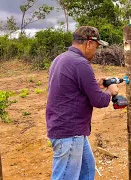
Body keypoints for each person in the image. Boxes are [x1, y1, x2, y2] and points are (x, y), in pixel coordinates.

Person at [46, 26, 118, 180]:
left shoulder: (60, 59)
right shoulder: (81, 63)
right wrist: (111, 91)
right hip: (69, 132)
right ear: (89, 43)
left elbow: (70, 90)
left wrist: (95, 86)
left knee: (87, 170)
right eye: (97, 47)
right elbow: (99, 101)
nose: (96, 51)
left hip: (66, 128)